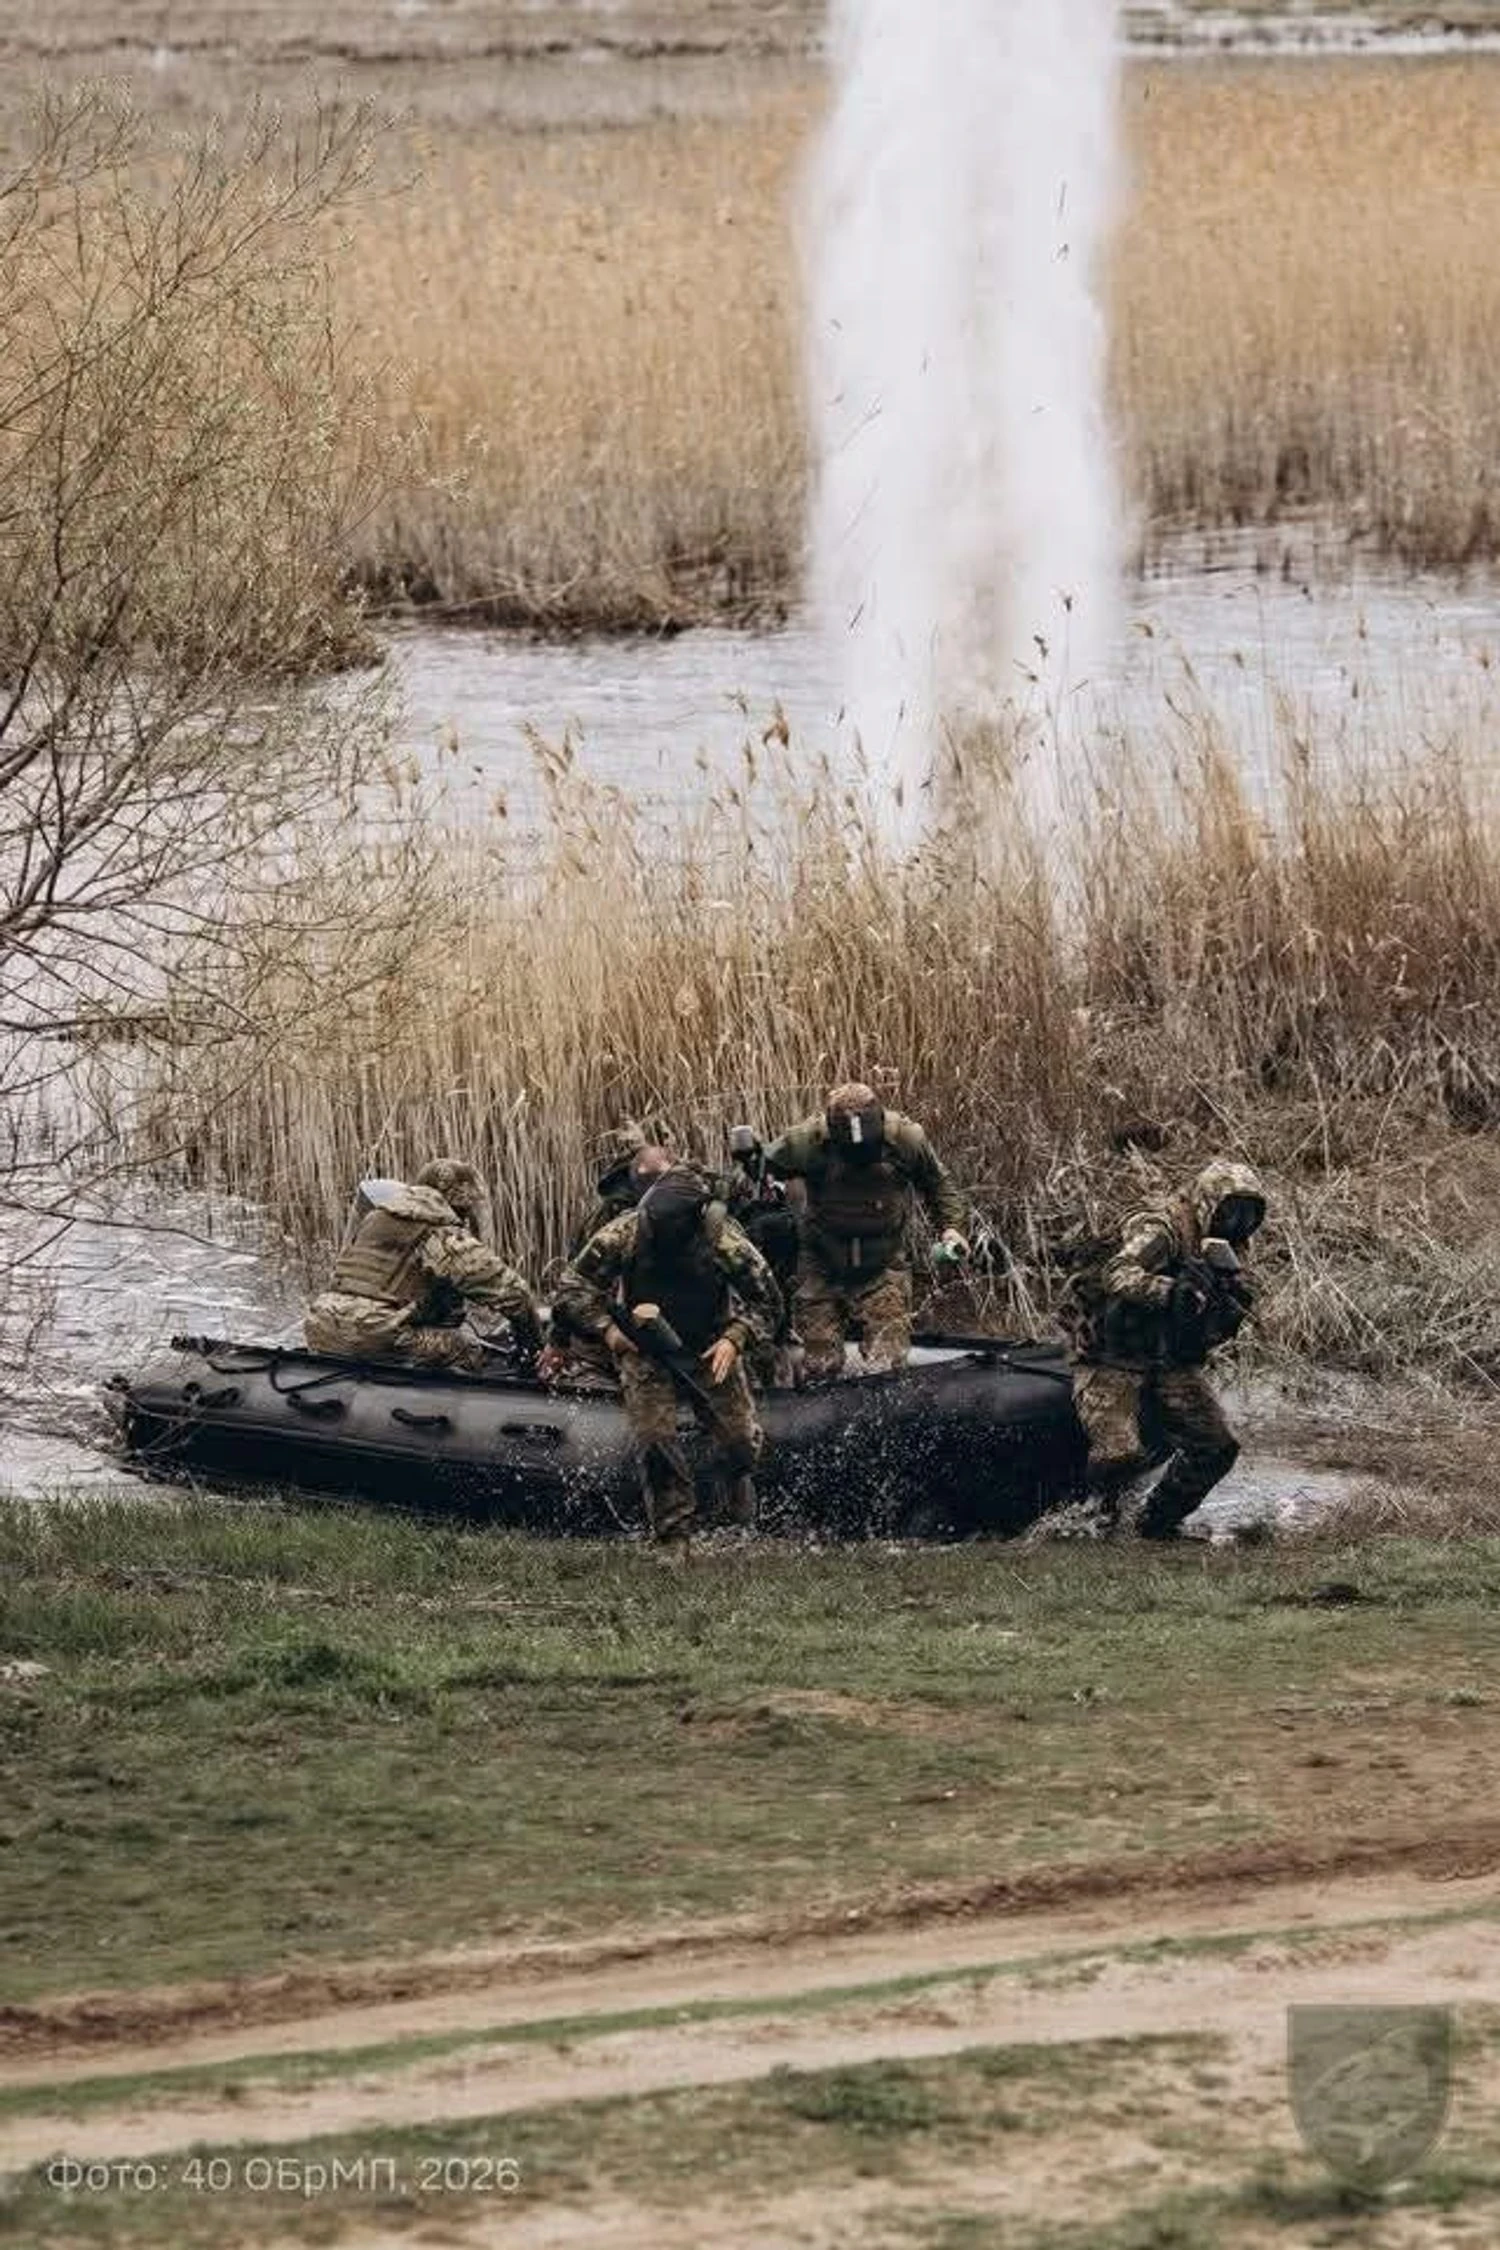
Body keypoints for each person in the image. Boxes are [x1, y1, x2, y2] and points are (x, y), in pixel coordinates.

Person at [552, 1163, 781, 1544]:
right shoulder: (624, 1233)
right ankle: (674, 1537)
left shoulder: (725, 1241)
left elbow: (768, 1301)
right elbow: (573, 1287)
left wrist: (736, 1336)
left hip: (709, 1345)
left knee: (741, 1443)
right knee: (656, 1442)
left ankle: (732, 1491)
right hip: (644, 1347)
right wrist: (607, 1331)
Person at [1061, 1158, 1266, 1541]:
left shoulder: (1226, 1249)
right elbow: (1118, 1272)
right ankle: (1090, 1522)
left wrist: (1226, 1307)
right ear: (1207, 1202)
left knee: (1217, 1448)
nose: (1235, 1222)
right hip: (1112, 1352)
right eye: (1228, 1210)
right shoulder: (1163, 1229)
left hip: (1168, 1357)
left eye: (1245, 1214)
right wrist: (1170, 1292)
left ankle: (1155, 1523)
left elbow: (1224, 1318)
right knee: (1118, 1453)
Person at [764, 1083, 970, 1379]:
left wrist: (951, 1229)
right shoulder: (806, 1141)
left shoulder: (905, 1139)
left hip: (882, 1260)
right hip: (822, 1260)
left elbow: (938, 1183)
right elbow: (760, 1168)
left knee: (886, 1364)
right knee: (821, 1365)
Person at [305, 1158, 542, 1372]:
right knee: (468, 1348)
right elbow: (515, 1295)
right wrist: (532, 1349)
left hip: (321, 1327)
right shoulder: (444, 1235)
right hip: (374, 1336)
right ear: (459, 1199)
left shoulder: (376, 1218)